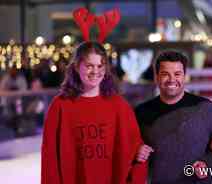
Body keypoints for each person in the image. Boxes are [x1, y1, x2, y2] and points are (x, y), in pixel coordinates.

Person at [41, 42, 147, 184]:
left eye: (100, 66)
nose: (95, 71)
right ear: (77, 67)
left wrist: (139, 152)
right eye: (89, 66)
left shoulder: (119, 106)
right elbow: (50, 157)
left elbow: (133, 148)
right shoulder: (60, 106)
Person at [134, 50, 212, 184]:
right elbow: (128, 147)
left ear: (184, 76)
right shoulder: (141, 112)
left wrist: (208, 162)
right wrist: (137, 151)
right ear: (156, 77)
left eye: (177, 74)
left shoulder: (205, 108)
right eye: (165, 74)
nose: (172, 79)